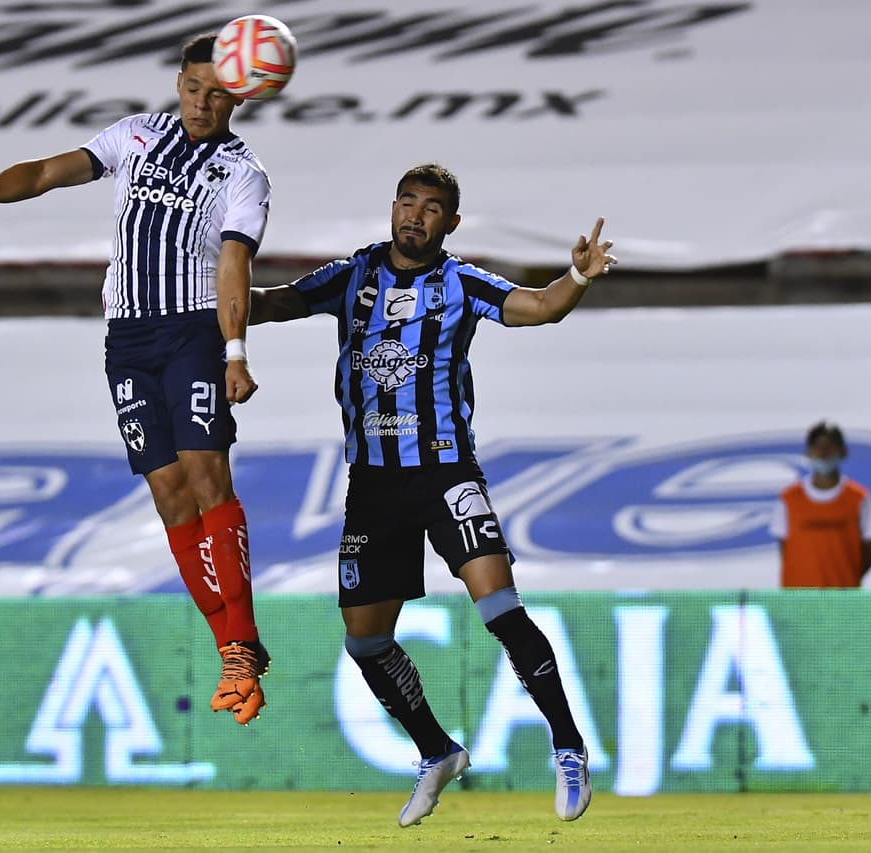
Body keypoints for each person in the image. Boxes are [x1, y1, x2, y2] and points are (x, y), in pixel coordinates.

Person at [0, 34, 272, 725]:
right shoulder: (135, 135)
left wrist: (233, 350)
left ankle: (241, 646)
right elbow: (44, 173)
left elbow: (234, 264)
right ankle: (232, 642)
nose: (202, 102)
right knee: (170, 498)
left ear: (241, 95)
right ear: (178, 83)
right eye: (193, 88)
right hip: (128, 339)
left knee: (205, 475)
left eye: (218, 91)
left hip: (193, 328)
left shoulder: (242, 172)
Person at [248, 164, 613, 826]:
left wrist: (579, 276)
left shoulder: (460, 281)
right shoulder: (351, 275)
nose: (416, 214)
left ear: (451, 222)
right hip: (373, 483)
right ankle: (437, 750)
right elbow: (271, 301)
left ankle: (567, 744)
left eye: (432, 207)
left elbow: (538, 306)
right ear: (392, 208)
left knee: (501, 607)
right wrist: (200, 293)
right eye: (408, 202)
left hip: (446, 472)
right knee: (364, 642)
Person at [771, 421, 871, 587]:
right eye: (817, 447)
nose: (823, 453)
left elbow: (869, 553)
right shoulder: (789, 499)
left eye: (830, 447)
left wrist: (844, 582)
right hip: (798, 601)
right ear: (808, 453)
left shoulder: (859, 498)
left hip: (843, 601)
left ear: (843, 452)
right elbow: (785, 550)